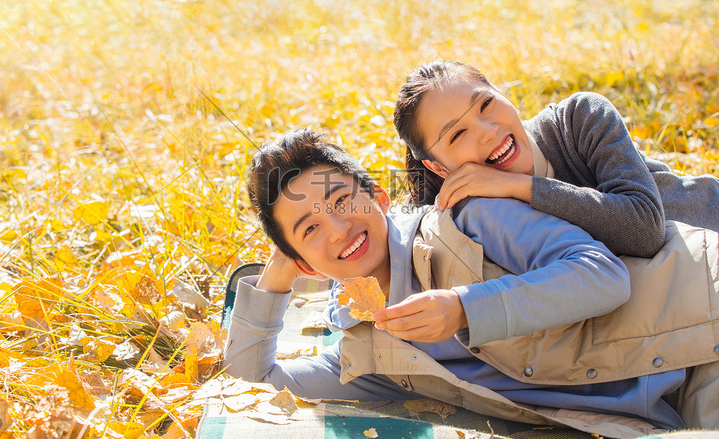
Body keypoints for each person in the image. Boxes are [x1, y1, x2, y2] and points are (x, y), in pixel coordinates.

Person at [221, 128, 719, 438]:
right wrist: (278, 273)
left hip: (701, 321)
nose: (338, 228)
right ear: (304, 262)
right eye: (310, 229)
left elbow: (601, 274)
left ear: (377, 196)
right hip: (661, 399)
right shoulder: (372, 345)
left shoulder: (466, 220)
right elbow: (252, 385)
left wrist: (464, 308)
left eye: (341, 201)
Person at [393, 60, 719, 257]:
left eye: (486, 105)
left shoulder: (580, 118)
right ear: (437, 167)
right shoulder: (462, 212)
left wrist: (519, 186)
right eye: (457, 134)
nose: (487, 132)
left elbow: (644, 231)